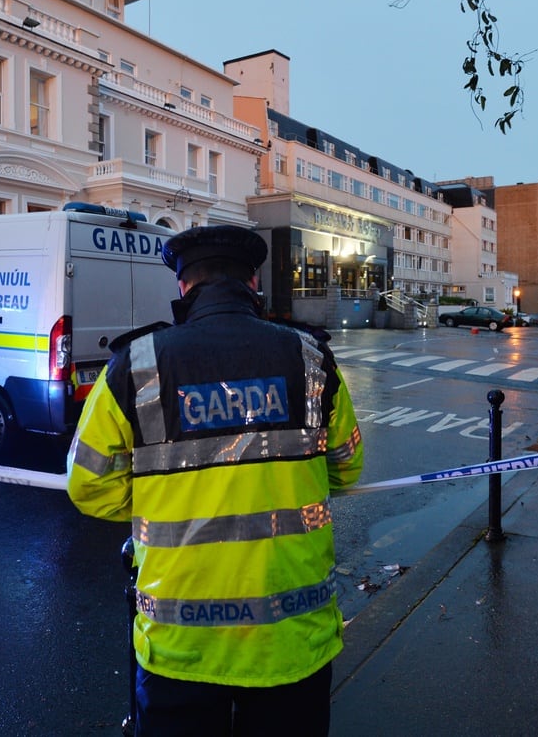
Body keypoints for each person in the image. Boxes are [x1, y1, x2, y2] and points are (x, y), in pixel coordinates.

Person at [67, 224, 365, 736]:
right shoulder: (312, 360)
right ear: (253, 284)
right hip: (292, 637)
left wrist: (158, 501)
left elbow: (87, 484)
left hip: (181, 645)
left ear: (184, 288)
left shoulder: (135, 366)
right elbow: (346, 466)